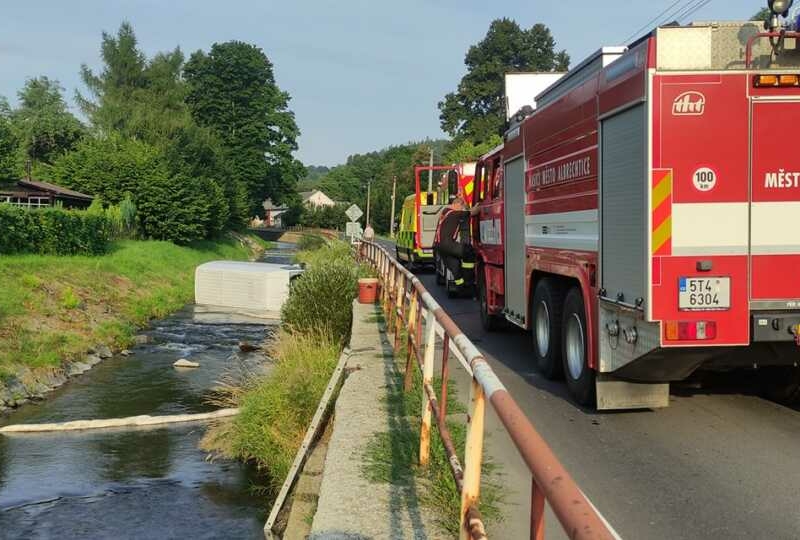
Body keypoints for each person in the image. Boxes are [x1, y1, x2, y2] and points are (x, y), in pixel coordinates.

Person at [436, 197, 475, 288]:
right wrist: (478, 208)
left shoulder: (445, 212)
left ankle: (463, 289)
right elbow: (471, 213)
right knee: (468, 251)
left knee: (456, 268)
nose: (461, 209)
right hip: (447, 244)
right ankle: (468, 279)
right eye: (461, 207)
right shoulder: (453, 213)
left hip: (440, 247)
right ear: (457, 204)